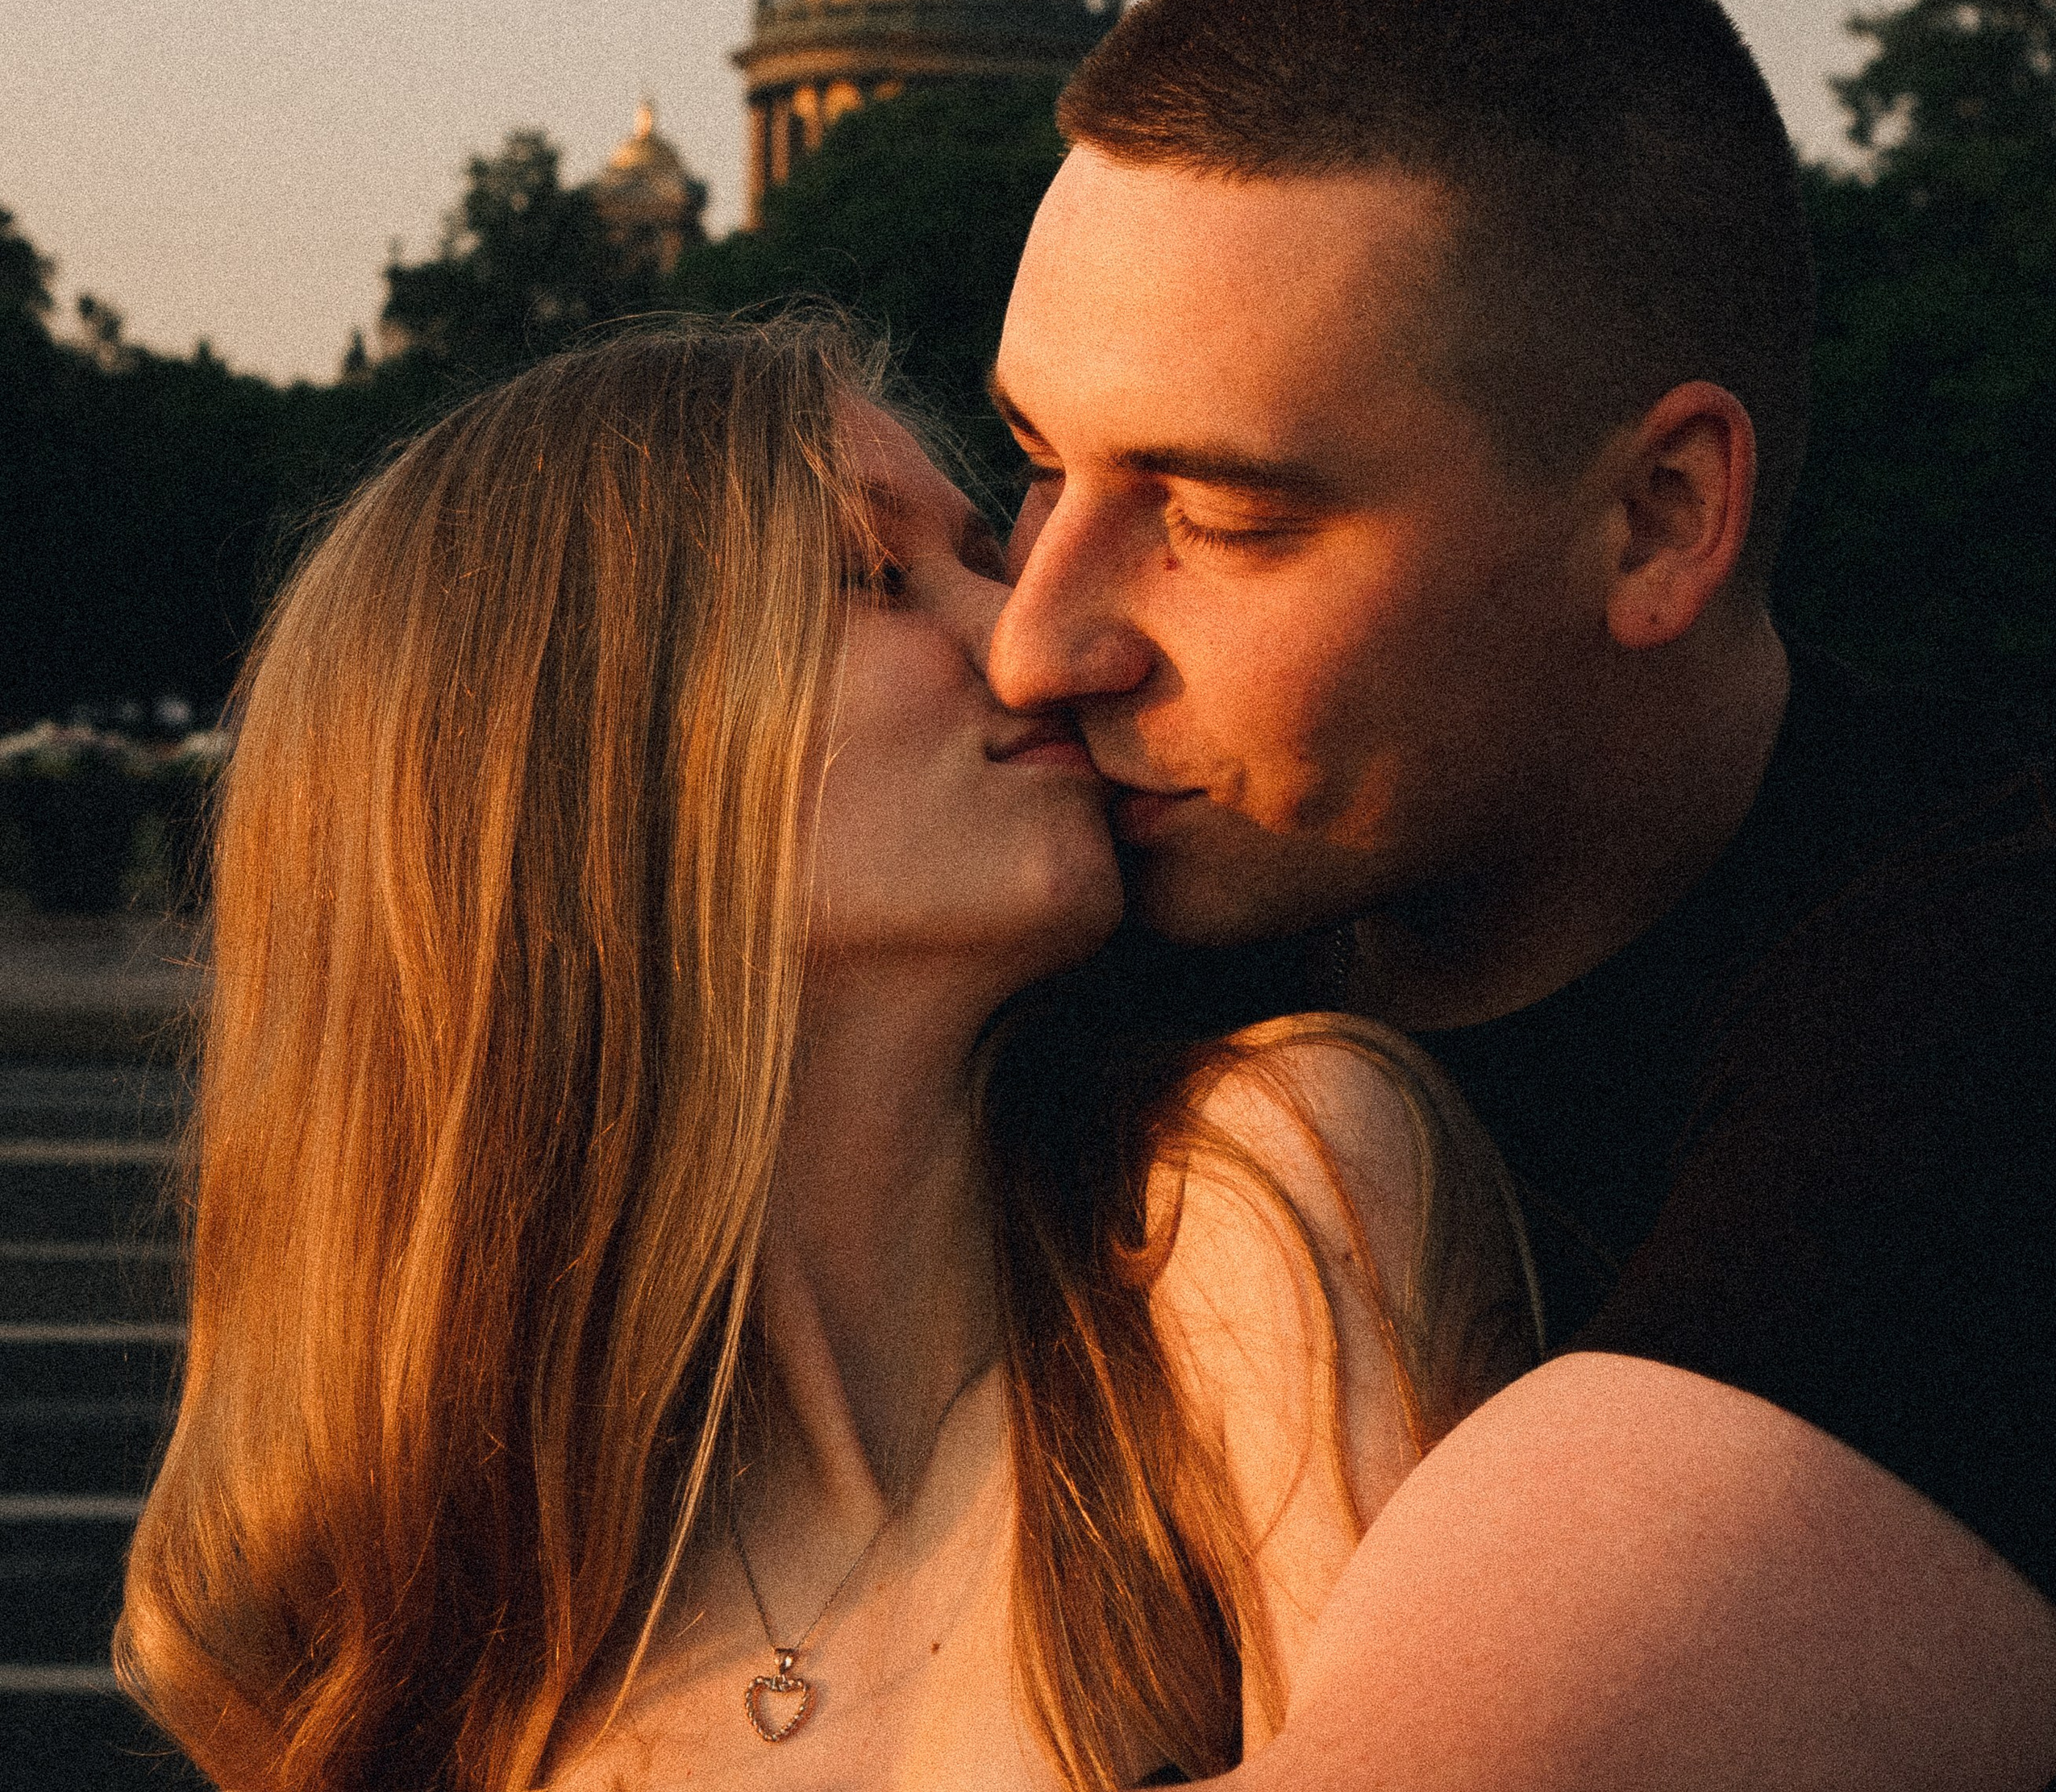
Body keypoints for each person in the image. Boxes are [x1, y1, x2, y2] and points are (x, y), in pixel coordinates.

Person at [117, 318, 1534, 1792]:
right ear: (583, 762)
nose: (1031, 642)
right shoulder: (417, 1625)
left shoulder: (1247, 1214)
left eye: (983, 559)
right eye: (872, 576)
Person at [988, 0, 2056, 1792]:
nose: (1034, 642)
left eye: (1219, 519)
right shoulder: (1023, 931)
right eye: (1033, 468)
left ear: (1655, 518)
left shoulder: (1988, 1002)